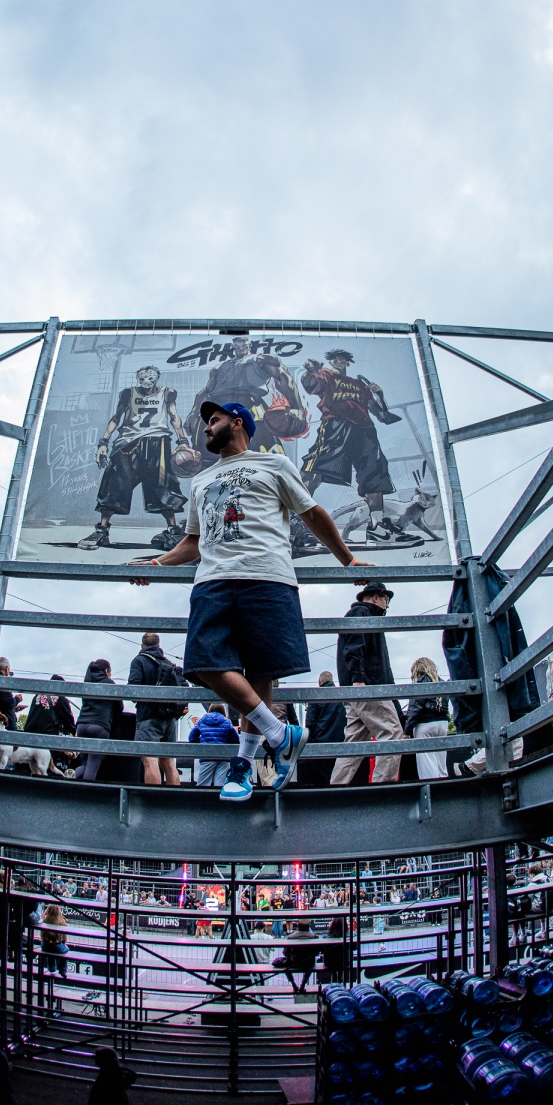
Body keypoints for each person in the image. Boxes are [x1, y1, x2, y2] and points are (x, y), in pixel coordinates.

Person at [130, 400, 367, 803]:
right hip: (213, 579)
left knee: (260, 673)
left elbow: (311, 513)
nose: (207, 428)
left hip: (268, 575)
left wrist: (349, 560)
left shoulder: (273, 465)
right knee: (202, 663)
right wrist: (156, 563)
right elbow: (194, 541)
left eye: (214, 420)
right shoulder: (201, 480)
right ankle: (279, 734)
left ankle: (242, 769)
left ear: (237, 423)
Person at [297, 349, 401, 548]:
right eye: (336, 358)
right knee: (314, 469)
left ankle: (377, 526)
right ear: (331, 361)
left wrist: (380, 395)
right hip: (337, 425)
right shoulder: (326, 375)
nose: (339, 361)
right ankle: (295, 521)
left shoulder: (360, 385)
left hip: (365, 430)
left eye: (343, 358)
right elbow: (309, 384)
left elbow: (381, 415)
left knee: (375, 475)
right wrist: (311, 371)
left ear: (348, 362)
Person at [80, 367, 190, 552]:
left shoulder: (167, 393)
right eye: (142, 377)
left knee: (164, 485)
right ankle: (102, 531)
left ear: (156, 378)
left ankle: (172, 531)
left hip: (157, 441)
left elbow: (174, 417)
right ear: (138, 378)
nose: (146, 381)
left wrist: (183, 441)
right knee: (114, 483)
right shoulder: (128, 393)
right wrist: (103, 442)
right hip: (128, 441)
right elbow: (116, 418)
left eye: (150, 377)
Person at [184, 335, 307, 467]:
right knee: (209, 459)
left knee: (266, 457)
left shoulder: (261, 360)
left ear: (249, 345)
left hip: (249, 406)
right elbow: (206, 392)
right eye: (237, 345)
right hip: (219, 408)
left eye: (244, 344)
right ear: (233, 346)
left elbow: (284, 379)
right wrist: (193, 413)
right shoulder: (219, 368)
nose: (241, 348)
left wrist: (297, 407)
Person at [331, 581, 404, 786]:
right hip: (368, 686)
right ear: (375, 598)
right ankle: (382, 788)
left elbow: (353, 649)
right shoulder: (363, 614)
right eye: (386, 599)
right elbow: (355, 649)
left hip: (355, 689)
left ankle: (335, 788)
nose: (387, 604)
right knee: (392, 734)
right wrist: (358, 680)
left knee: (354, 742)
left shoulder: (360, 614)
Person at [128, 631, 182, 786]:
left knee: (150, 758)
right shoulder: (168, 663)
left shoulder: (139, 661)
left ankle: (152, 797)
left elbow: (133, 690)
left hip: (148, 716)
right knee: (168, 761)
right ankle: (174, 797)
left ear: (142, 645)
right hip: (169, 718)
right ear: (159, 645)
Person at [73, 659, 123, 782]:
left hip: (82, 725)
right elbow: (119, 708)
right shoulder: (109, 683)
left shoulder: (87, 683)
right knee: (92, 767)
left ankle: (69, 779)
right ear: (106, 671)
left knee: (85, 764)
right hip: (99, 726)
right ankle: (85, 793)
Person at [402, 656, 449, 781]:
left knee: (427, 761)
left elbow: (414, 709)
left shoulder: (420, 684)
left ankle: (431, 787)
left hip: (425, 724)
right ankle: (445, 785)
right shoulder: (442, 683)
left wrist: (407, 731)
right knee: (441, 760)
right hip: (442, 723)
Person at [298, 670, 346, 787]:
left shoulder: (316, 696)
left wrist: (309, 741)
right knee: (338, 774)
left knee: (322, 778)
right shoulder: (342, 695)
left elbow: (310, 723)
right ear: (332, 681)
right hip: (341, 742)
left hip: (321, 742)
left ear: (320, 682)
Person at [188, 701, 240, 787]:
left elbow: (192, 737)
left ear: (210, 710)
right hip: (223, 756)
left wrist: (200, 745)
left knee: (203, 785)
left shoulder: (202, 720)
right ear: (223, 711)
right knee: (220, 785)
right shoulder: (227, 722)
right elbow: (235, 739)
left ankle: (202, 796)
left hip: (206, 755)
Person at [40, 902, 70, 976]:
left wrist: (46, 912)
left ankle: (51, 968)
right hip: (56, 946)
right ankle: (62, 970)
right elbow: (65, 940)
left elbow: (41, 918)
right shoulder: (62, 923)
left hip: (45, 946)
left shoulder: (44, 921)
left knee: (49, 949)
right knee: (66, 949)